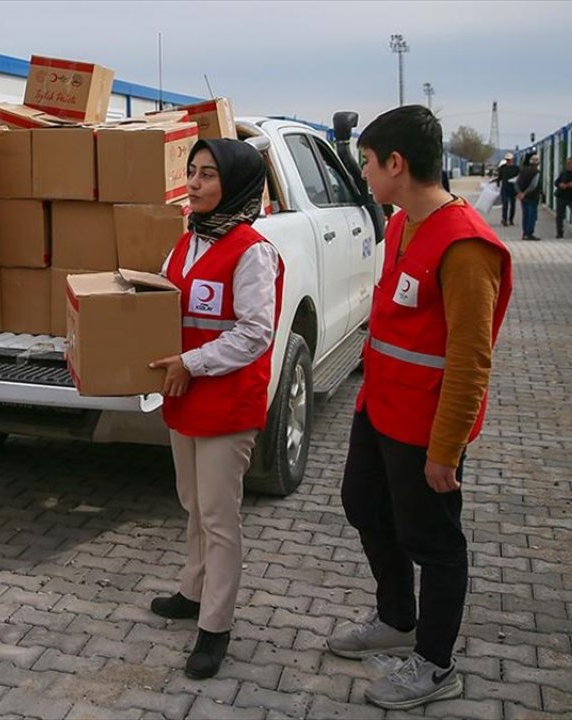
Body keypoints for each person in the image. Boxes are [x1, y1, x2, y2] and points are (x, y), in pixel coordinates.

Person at [327, 105, 512, 711]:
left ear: (396, 164)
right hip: (379, 409)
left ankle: (434, 663)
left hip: (426, 428)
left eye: (368, 165)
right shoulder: (401, 225)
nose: (366, 176)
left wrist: (445, 448)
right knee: (363, 504)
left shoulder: (466, 248)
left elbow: (470, 362)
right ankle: (396, 617)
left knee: (434, 542)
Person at [148, 139, 283, 680]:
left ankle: (216, 624)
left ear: (238, 184)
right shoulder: (187, 240)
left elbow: (256, 333)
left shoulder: (252, 250)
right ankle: (192, 589)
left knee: (218, 515)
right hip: (186, 395)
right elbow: (159, 299)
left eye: (208, 174)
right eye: (191, 172)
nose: (195, 182)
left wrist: (191, 361)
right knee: (191, 500)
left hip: (226, 401)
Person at [516, 153, 542, 240]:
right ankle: (529, 233)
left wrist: (520, 192)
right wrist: (525, 193)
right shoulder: (536, 172)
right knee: (532, 216)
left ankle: (524, 234)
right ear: (538, 163)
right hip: (532, 197)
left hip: (523, 198)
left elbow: (516, 182)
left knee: (525, 215)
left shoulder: (523, 170)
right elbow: (533, 185)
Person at [495, 152, 520, 227]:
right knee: (505, 204)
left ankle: (511, 219)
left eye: (509, 160)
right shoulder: (503, 168)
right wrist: (497, 184)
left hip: (513, 188)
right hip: (505, 188)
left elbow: (519, 178)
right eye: (507, 159)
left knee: (512, 204)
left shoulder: (516, 168)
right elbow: (499, 177)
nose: (508, 161)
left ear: (512, 160)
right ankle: (504, 219)